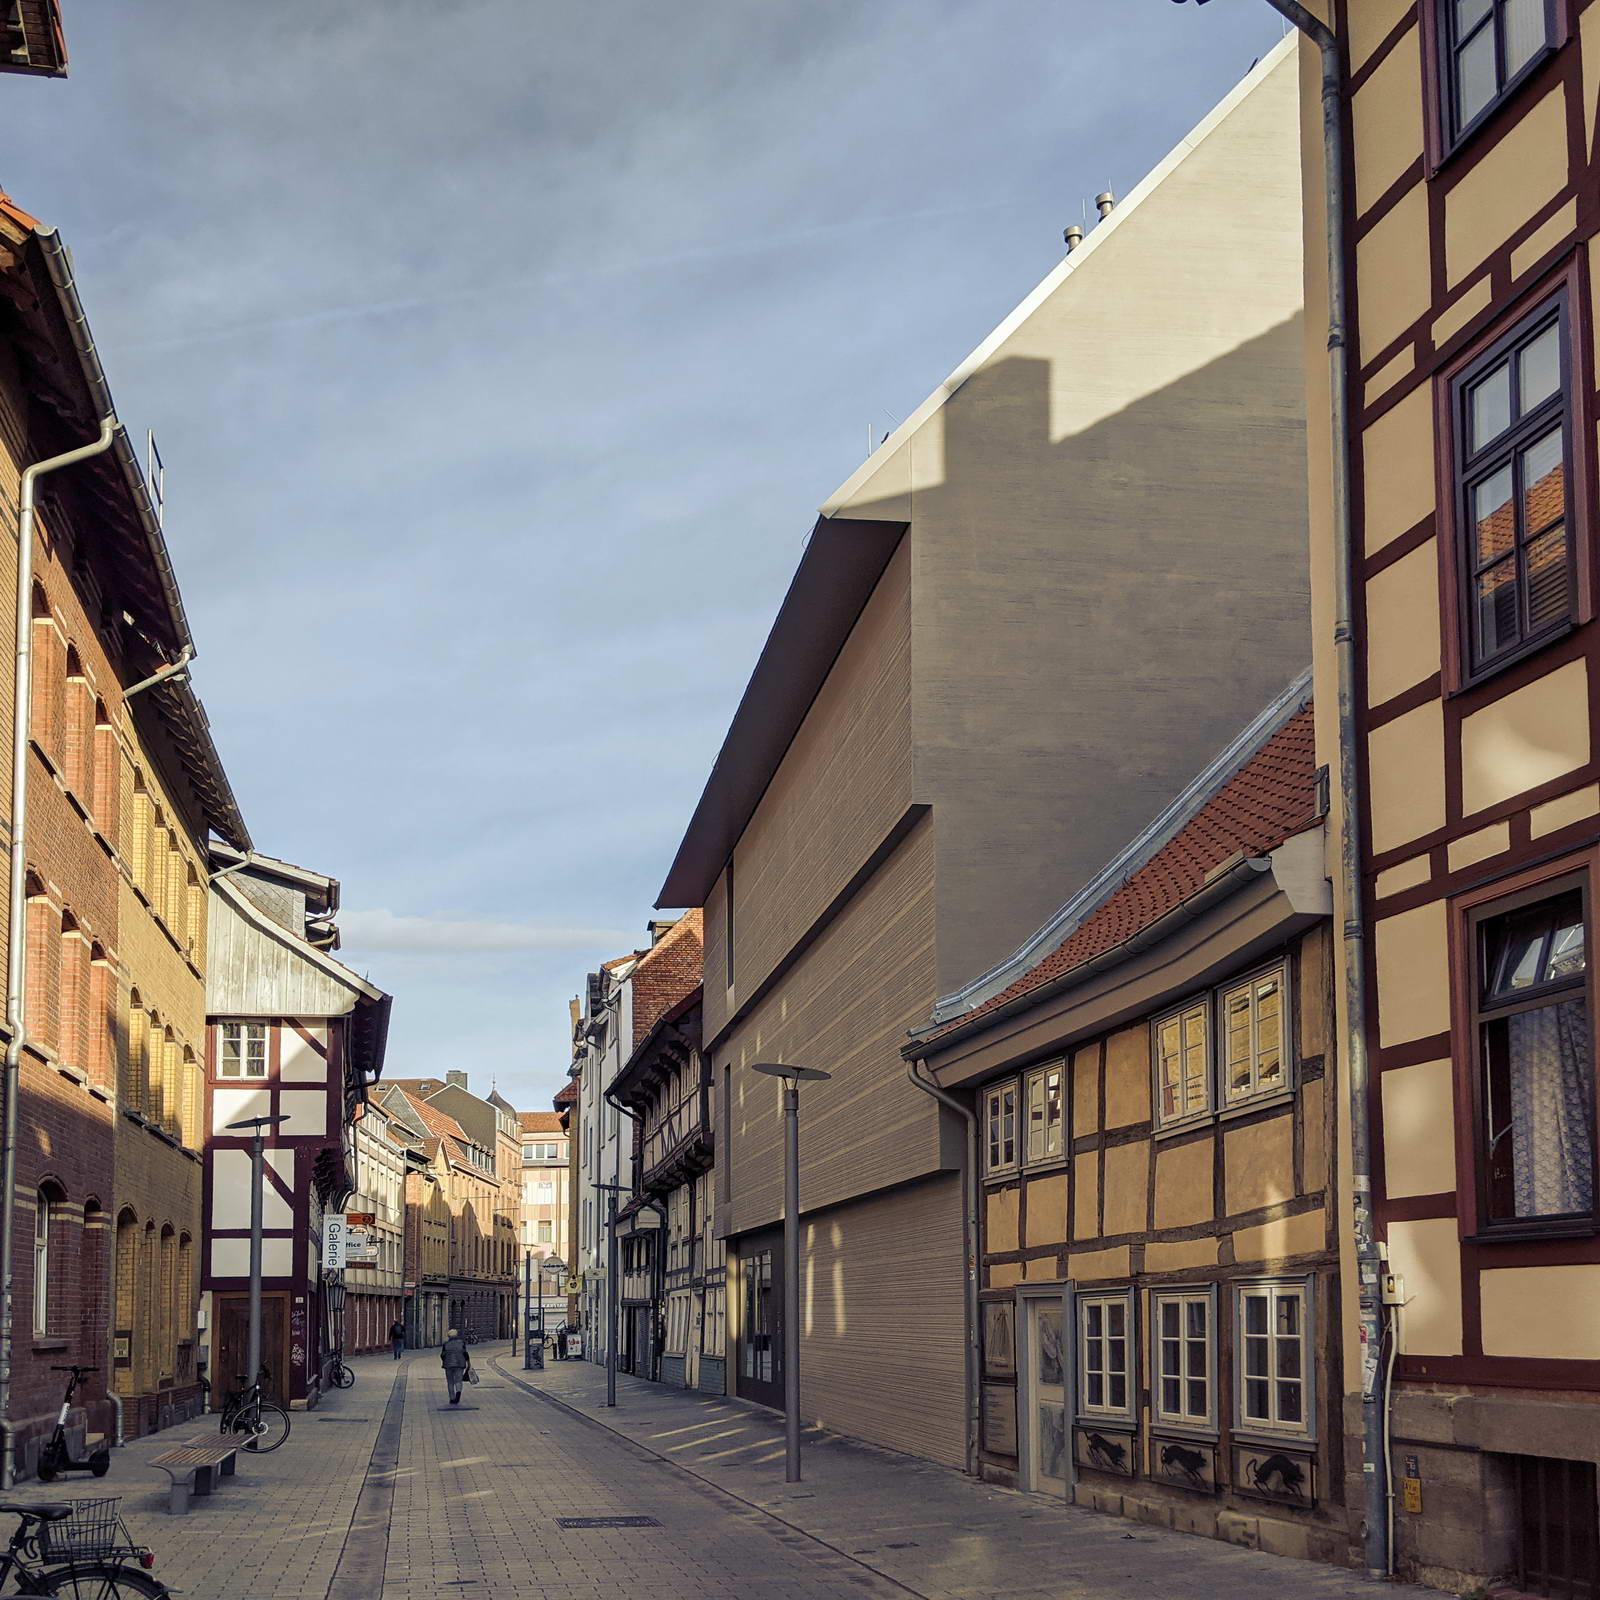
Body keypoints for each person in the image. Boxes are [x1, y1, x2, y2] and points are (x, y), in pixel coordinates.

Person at [440, 1327, 471, 1404]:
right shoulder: (461, 1343)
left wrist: (445, 1360)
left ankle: (452, 1398)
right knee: (458, 1380)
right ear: (456, 1335)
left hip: (448, 1365)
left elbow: (442, 1355)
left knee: (450, 1382)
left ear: (449, 1336)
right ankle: (458, 1394)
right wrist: (468, 1362)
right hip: (459, 1364)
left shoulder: (445, 1344)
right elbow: (465, 1353)